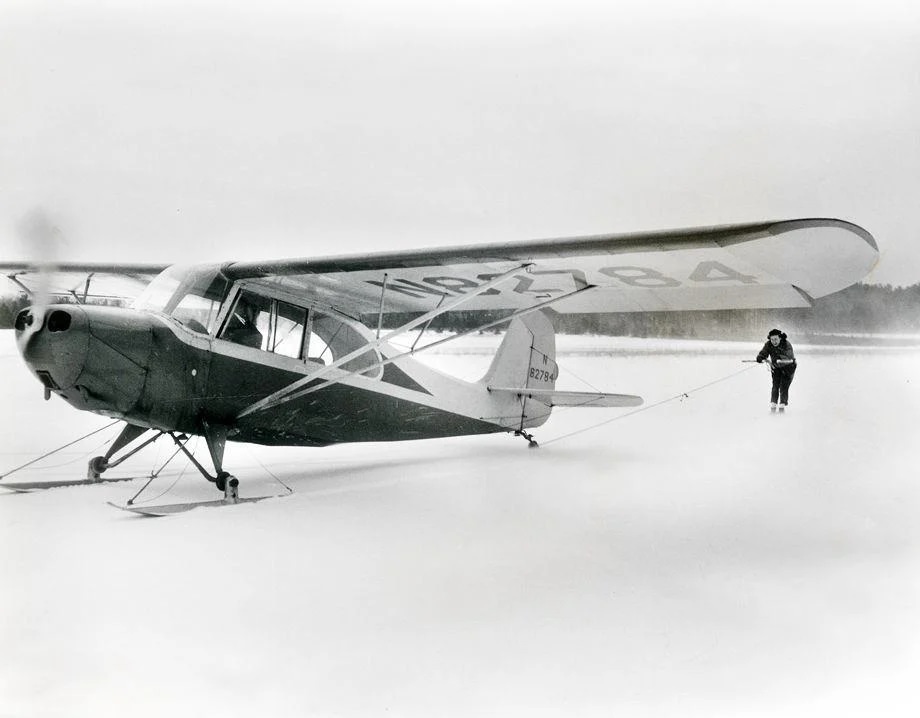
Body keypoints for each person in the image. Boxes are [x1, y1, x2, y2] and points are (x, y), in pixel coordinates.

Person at [755, 328, 797, 412]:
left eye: (776, 339)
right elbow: (764, 352)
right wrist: (761, 357)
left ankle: (782, 405)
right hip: (776, 367)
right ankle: (773, 404)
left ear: (780, 338)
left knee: (784, 386)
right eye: (772, 339)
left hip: (788, 367)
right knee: (775, 385)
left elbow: (789, 357)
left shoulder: (786, 344)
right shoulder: (768, 344)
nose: (774, 341)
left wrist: (780, 359)